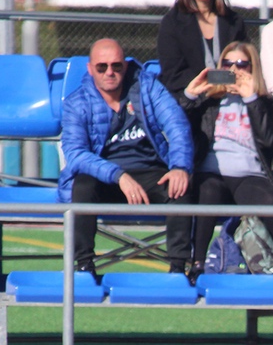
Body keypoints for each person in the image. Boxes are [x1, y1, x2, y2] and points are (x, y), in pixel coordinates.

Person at [59, 39, 195, 275]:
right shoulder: (76, 102)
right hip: (105, 177)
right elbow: (76, 154)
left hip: (150, 171)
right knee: (81, 186)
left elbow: (177, 125)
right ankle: (83, 265)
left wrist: (180, 166)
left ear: (125, 64)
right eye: (102, 67)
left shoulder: (148, 87)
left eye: (116, 66)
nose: (109, 72)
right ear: (90, 69)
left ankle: (178, 268)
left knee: (180, 187)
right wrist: (118, 175)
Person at [181, 41, 273, 283]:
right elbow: (177, 127)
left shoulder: (265, 103)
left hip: (248, 174)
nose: (234, 69)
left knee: (271, 201)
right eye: (228, 64)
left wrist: (251, 98)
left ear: (253, 69)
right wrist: (190, 95)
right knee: (207, 192)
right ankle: (197, 264)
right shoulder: (209, 103)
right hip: (213, 172)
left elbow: (270, 140)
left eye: (242, 64)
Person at [157, 0, 248, 97]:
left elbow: (245, 64)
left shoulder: (234, 21)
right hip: (190, 101)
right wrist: (219, 81)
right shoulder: (172, 23)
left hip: (231, 97)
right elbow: (173, 74)